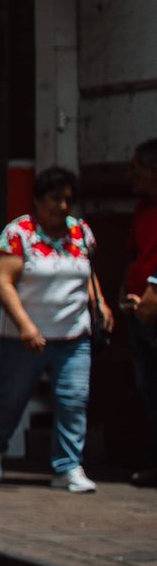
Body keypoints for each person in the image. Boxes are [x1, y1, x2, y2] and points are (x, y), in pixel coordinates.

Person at [0, 167, 108, 493]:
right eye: (54, 199)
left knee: (73, 399)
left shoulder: (80, 232)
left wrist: (99, 304)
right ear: (37, 200)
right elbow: (4, 283)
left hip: (73, 334)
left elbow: (86, 274)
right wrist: (26, 325)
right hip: (24, 337)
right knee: (13, 397)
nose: (61, 206)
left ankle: (68, 467)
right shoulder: (19, 233)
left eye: (67, 200)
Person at [118, 139, 157, 488]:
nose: (132, 175)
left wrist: (154, 291)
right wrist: (124, 288)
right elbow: (134, 253)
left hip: (152, 305)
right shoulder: (143, 208)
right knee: (148, 387)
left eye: (137, 169)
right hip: (138, 310)